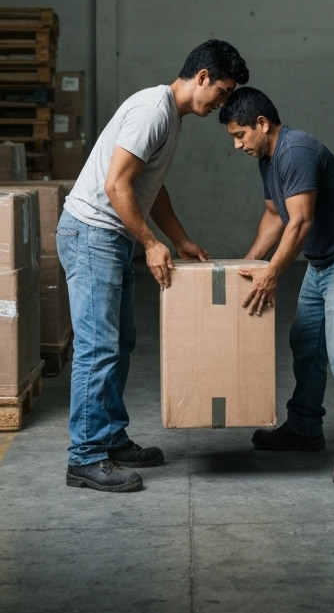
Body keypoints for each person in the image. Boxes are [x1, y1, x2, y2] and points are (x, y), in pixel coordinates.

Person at [57, 40, 249, 494]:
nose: (223, 102)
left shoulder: (169, 117)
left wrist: (178, 240)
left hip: (111, 237)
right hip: (92, 234)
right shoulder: (152, 110)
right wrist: (150, 243)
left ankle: (109, 437)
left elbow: (150, 188)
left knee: (120, 343)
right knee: (97, 348)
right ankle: (84, 457)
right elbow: (116, 184)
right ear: (201, 76)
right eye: (221, 91)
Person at [219, 87, 334, 486]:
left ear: (262, 124)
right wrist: (248, 263)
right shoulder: (268, 158)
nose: (236, 144)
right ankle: (303, 429)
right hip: (323, 264)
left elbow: (300, 221)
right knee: (306, 344)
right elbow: (275, 216)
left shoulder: (297, 150)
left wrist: (273, 273)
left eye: (240, 134)